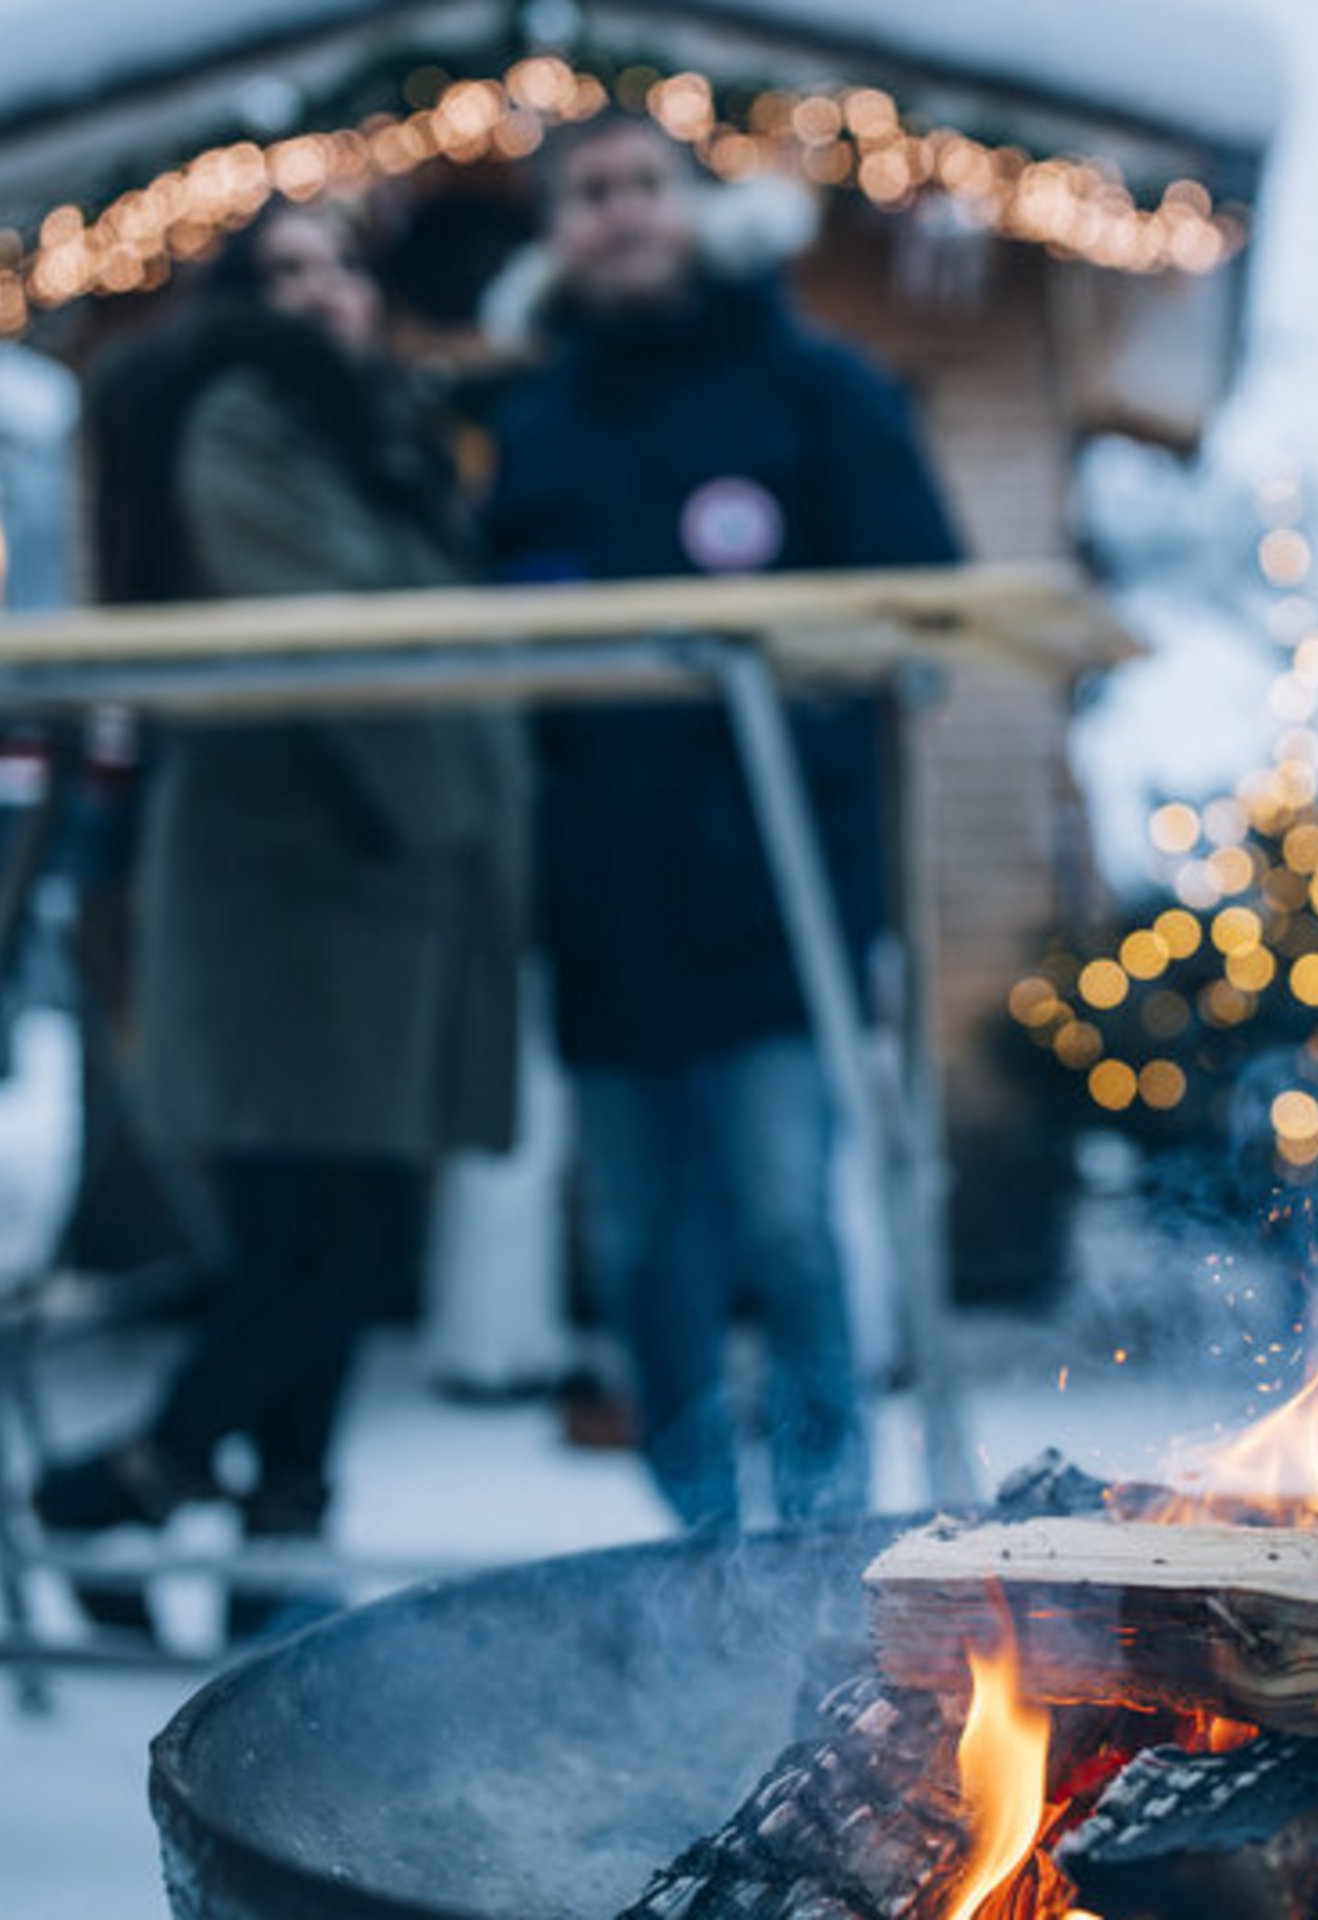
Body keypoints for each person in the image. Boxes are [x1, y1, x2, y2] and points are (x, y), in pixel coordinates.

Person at [35, 201, 529, 1574]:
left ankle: (279, 1542)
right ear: (243, 300)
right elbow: (347, 632)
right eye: (285, 271)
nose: (320, 293)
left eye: (340, 269)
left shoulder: (378, 433)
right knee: (325, 1240)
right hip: (291, 884)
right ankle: (133, 1480)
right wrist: (460, 814)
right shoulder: (249, 421)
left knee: (346, 1228)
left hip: (369, 882)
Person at [488, 114, 960, 1531]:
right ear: (558, 232)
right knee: (643, 1254)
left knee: (786, 1229)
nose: (620, 214)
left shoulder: (813, 388)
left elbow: (920, 599)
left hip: (779, 896)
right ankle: (699, 1547)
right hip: (603, 907)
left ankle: (824, 1547)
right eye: (588, 195)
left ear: (697, 208)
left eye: (645, 186)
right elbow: (501, 649)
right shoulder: (536, 423)